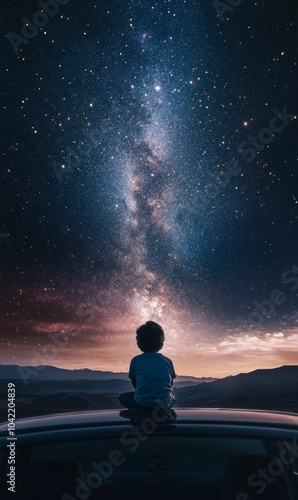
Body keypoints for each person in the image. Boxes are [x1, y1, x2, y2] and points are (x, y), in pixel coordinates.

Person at [119, 320, 176, 410]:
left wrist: (145, 394)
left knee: (122, 397)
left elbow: (135, 382)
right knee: (172, 394)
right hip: (165, 404)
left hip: (142, 403)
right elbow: (170, 383)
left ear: (138, 343)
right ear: (161, 344)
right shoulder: (168, 361)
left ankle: (139, 414)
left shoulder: (135, 360)